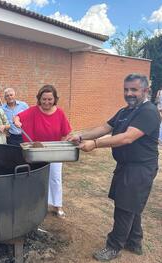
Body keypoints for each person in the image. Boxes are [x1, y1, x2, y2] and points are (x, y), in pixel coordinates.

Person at [67, 73, 160, 261]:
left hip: (140, 168)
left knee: (125, 207)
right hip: (126, 166)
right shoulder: (125, 111)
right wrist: (82, 136)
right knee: (130, 205)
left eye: (134, 89)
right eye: (126, 89)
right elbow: (105, 127)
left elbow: (127, 137)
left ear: (146, 90)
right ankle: (134, 242)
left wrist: (95, 144)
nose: (129, 93)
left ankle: (113, 246)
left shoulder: (148, 111)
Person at [14, 85, 71, 218]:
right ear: (39, 99)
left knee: (55, 178)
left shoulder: (60, 113)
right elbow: (17, 117)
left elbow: (66, 132)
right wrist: (17, 121)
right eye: (44, 99)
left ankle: (58, 205)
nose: (46, 102)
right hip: (37, 150)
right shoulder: (33, 110)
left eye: (49, 99)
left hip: (55, 150)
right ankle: (37, 203)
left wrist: (62, 146)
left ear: (55, 99)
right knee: (37, 177)